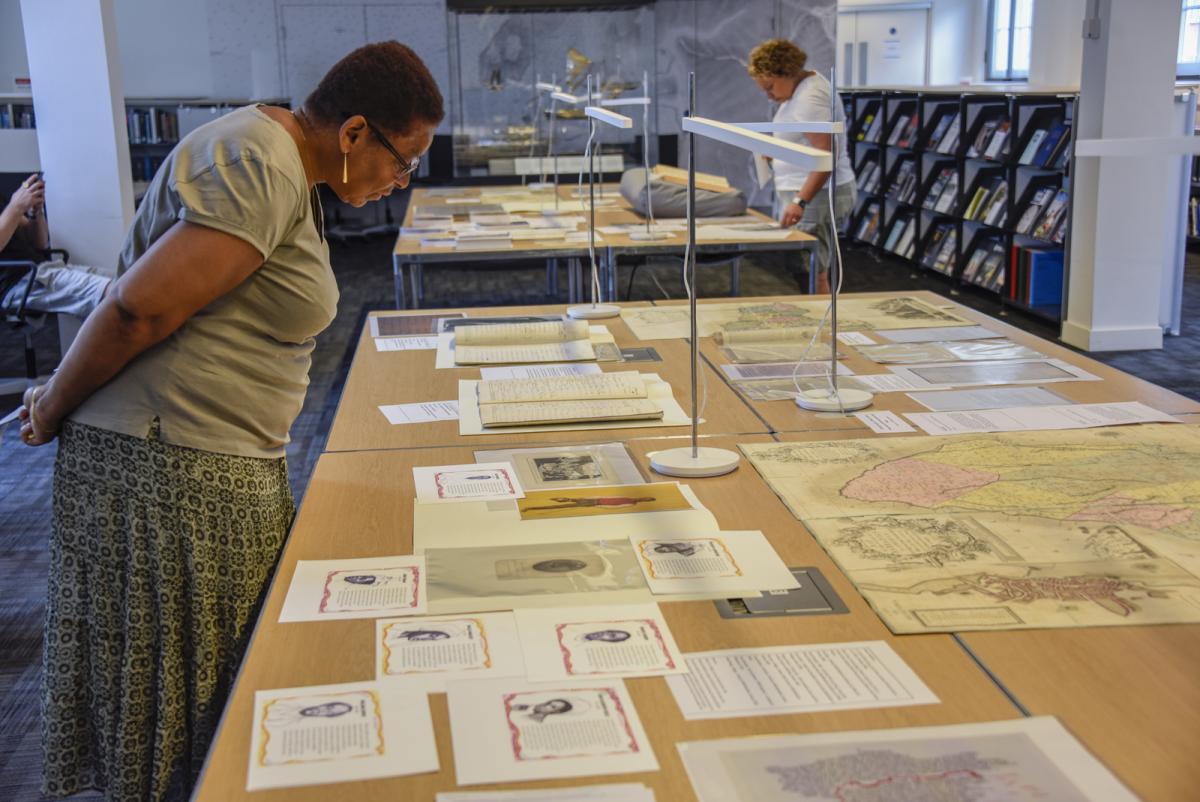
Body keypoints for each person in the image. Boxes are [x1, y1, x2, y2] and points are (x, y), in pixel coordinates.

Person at [18, 41, 444, 802]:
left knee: (213, 694)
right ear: (352, 134)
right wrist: (50, 406)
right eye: (402, 160)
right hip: (167, 469)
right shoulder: (259, 164)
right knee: (183, 707)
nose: (401, 181)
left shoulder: (281, 166)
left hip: (209, 462)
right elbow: (137, 308)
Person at [748, 39, 857, 294]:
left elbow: (824, 155)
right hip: (807, 192)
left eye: (770, 87)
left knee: (810, 267)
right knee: (806, 265)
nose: (769, 95)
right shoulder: (798, 92)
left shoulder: (810, 97)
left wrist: (801, 201)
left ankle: (823, 326)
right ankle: (818, 321)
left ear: (786, 72)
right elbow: (803, 143)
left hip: (816, 195)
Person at [0, 173, 111, 317]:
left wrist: (35, 212)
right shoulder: (12, 208)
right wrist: (15, 206)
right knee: (114, 292)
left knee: (124, 281)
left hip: (41, 270)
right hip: (16, 283)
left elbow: (40, 243)